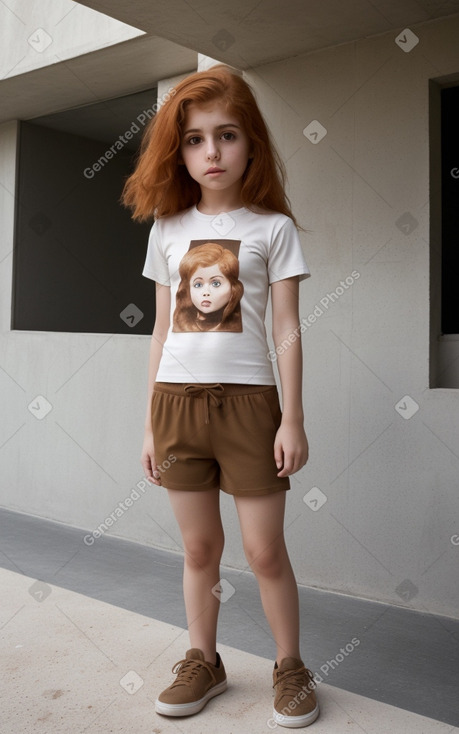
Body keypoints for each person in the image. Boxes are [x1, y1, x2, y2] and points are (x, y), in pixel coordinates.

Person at [122, 64, 319, 728]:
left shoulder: (273, 228)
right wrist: (150, 423)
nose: (211, 152)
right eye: (195, 140)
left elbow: (287, 330)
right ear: (178, 152)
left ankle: (289, 667)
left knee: (264, 551)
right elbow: (158, 332)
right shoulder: (167, 229)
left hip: (249, 407)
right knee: (199, 550)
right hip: (176, 404)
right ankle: (202, 660)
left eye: (226, 135)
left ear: (251, 143)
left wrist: (291, 417)